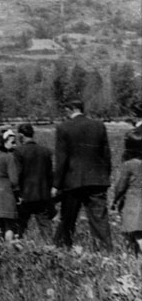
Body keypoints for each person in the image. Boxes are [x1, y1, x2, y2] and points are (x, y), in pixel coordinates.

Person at [53, 100, 112, 251]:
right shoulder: (99, 125)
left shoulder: (63, 128)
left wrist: (56, 184)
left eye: (66, 109)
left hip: (73, 181)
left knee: (68, 218)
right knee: (99, 219)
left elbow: (62, 159)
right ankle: (105, 252)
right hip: (96, 180)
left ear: (70, 109)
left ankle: (63, 248)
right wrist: (105, 176)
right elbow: (106, 155)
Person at [13, 123, 55, 240]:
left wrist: (17, 193)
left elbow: (17, 175)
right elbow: (50, 174)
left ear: (21, 135)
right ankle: (50, 250)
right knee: (45, 226)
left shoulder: (18, 152)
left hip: (24, 196)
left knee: (19, 227)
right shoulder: (45, 151)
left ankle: (16, 249)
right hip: (42, 195)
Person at [112, 131, 142, 256]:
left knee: (136, 232)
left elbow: (121, 186)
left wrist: (115, 199)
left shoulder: (129, 165)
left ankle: (133, 256)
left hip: (133, 201)